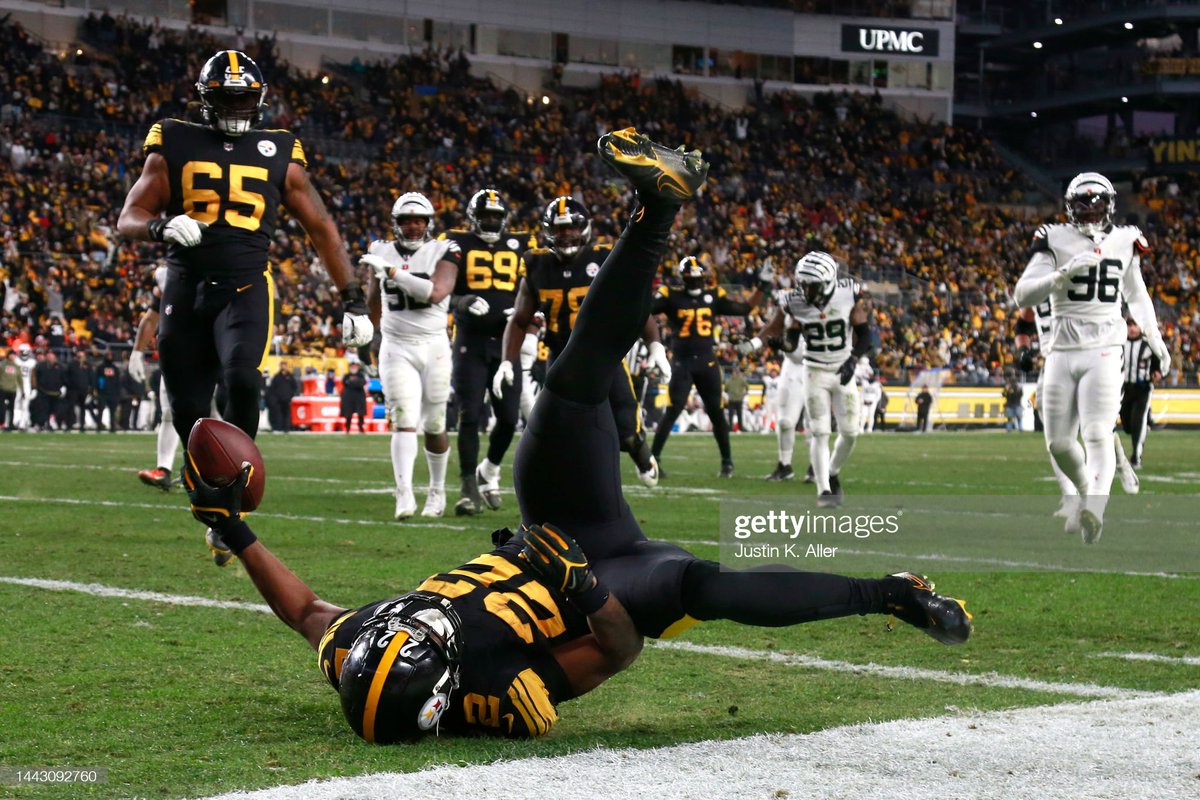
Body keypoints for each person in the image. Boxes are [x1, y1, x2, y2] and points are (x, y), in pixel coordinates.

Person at [181, 128, 971, 744]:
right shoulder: (497, 698)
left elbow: (309, 615)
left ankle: (660, 205)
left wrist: (235, 528)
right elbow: (617, 651)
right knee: (707, 589)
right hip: (600, 587)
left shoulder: (367, 647)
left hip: (555, 522)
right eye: (420, 633)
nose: (409, 619)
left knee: (573, 373)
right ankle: (892, 595)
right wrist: (580, 583)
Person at [116, 48, 374, 448]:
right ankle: (205, 477)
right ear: (206, 97)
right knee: (185, 406)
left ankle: (236, 481)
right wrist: (161, 225)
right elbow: (128, 216)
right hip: (185, 285)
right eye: (228, 97)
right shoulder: (175, 138)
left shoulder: (281, 150)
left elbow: (321, 227)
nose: (238, 106)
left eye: (245, 97)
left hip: (244, 285)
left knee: (242, 379)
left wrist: (353, 297)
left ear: (260, 98)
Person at [1015, 172, 1167, 543]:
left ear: (1109, 204)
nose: (1089, 211)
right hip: (1062, 351)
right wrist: (1061, 275)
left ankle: (1094, 510)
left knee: (1098, 432)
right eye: (1081, 204)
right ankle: (1085, 492)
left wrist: (1155, 340)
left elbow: (1137, 296)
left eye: (1095, 203)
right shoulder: (1054, 237)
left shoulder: (1125, 240)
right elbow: (1023, 295)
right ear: (1070, 207)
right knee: (1059, 444)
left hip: (1104, 348)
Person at [499, 197, 671, 488]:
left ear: (585, 229)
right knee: (564, 433)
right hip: (562, 358)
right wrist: (506, 361)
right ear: (548, 231)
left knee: (626, 433)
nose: (566, 234)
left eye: (572, 228)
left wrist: (655, 345)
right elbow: (519, 319)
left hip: (603, 356)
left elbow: (633, 304)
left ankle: (641, 453)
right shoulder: (536, 263)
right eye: (559, 228)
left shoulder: (603, 257)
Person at [742, 252, 871, 507]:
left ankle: (832, 472)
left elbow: (864, 334)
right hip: (813, 371)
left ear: (826, 282)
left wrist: (853, 358)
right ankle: (824, 491)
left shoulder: (849, 294)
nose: (804, 289)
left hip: (841, 368)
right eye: (802, 283)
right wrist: (781, 343)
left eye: (810, 284)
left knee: (850, 433)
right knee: (820, 431)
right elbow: (790, 337)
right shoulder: (795, 301)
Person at [360, 192, 457, 518]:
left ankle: (437, 491)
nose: (413, 226)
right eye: (406, 221)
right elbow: (373, 299)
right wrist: (365, 335)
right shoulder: (380, 250)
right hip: (396, 344)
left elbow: (436, 292)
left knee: (434, 422)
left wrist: (392, 273)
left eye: (419, 220)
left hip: (434, 345)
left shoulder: (445, 249)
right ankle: (403, 495)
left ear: (428, 223)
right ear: (396, 224)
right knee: (402, 419)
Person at [440, 189, 530, 515]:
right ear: (473, 217)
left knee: (508, 417)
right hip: (470, 340)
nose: (491, 221)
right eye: (486, 215)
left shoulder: (523, 243)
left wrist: (529, 312)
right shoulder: (454, 241)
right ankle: (467, 488)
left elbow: (536, 285)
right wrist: (460, 302)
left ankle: (489, 469)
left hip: (508, 341)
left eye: (496, 215)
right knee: (470, 414)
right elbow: (435, 288)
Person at [650, 256, 771, 478]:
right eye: (692, 279)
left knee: (716, 412)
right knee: (673, 410)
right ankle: (652, 459)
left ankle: (727, 462)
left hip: (706, 361)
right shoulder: (671, 295)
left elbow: (744, 307)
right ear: (683, 279)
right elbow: (646, 308)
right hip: (682, 361)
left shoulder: (713, 295)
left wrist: (762, 286)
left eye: (699, 279)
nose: (696, 283)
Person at [746, 292, 809, 481]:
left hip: (817, 365)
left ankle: (816, 467)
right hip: (792, 366)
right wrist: (752, 344)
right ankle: (784, 465)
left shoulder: (831, 300)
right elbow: (774, 327)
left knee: (815, 423)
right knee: (785, 422)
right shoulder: (790, 300)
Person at [131, 265, 181, 490]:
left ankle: (214, 473)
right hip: (175, 353)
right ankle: (164, 470)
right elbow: (152, 317)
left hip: (209, 351)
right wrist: (137, 351)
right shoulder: (167, 274)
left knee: (213, 414)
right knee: (169, 415)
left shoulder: (216, 265)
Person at [1120, 318, 1160, 468]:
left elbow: (1157, 362)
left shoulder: (1148, 344)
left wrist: (1156, 372)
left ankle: (1136, 457)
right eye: (1129, 325)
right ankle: (1147, 418)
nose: (1132, 329)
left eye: (1135, 325)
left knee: (1138, 423)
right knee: (1127, 426)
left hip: (1142, 388)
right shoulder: (1120, 343)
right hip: (1124, 388)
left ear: (1140, 327)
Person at [92, 350, 122, 433]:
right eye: (108, 356)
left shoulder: (115, 368)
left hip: (113, 393)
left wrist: (117, 392)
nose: (110, 357)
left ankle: (112, 427)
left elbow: (118, 381)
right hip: (102, 393)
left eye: (111, 355)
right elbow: (96, 379)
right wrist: (96, 389)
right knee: (100, 410)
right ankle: (99, 427)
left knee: (112, 412)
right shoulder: (100, 368)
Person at [66, 349, 94, 431]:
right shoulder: (71, 364)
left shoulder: (87, 365)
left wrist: (91, 389)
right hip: (73, 390)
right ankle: (69, 425)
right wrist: (69, 385)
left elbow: (91, 377)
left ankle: (82, 425)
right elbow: (66, 376)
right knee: (71, 408)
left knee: (83, 408)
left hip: (84, 390)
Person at [265, 362, 298, 433]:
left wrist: (291, 395)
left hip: (287, 399)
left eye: (284, 366)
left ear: (287, 366)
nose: (283, 367)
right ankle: (278, 428)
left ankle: (287, 428)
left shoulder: (290, 376)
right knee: (278, 414)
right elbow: (272, 388)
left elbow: (295, 387)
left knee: (287, 414)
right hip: (278, 399)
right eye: (282, 366)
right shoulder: (277, 376)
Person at [340, 362, 368, 434]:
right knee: (348, 413)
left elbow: (362, 383)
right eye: (352, 367)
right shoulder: (346, 375)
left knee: (360, 413)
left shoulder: (361, 375)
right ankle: (347, 427)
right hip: (349, 397)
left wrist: (352, 382)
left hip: (359, 396)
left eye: (355, 367)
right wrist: (355, 382)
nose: (353, 368)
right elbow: (344, 382)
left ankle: (361, 427)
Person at [724, 366, 747, 433]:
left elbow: (747, 387)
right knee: (730, 415)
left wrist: (743, 394)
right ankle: (730, 427)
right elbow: (725, 389)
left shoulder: (741, 380)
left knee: (739, 414)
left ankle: (740, 427)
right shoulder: (729, 381)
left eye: (735, 372)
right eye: (733, 372)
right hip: (732, 400)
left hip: (738, 400)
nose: (734, 374)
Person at [0, 349, 18, 430]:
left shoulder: (17, 366)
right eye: (11, 355)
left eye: (14, 355)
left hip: (13, 389)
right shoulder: (2, 365)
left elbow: (19, 378)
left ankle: (10, 424)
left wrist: (22, 388)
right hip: (3, 388)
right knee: (2, 408)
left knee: (11, 408)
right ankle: (2, 423)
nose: (12, 356)